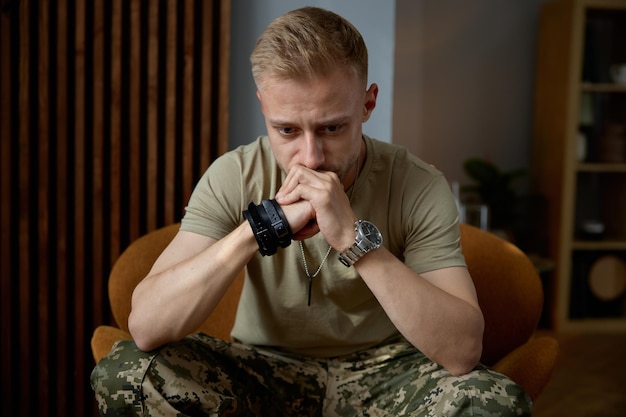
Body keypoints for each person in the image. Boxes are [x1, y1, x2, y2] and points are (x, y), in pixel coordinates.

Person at [91, 6, 531, 416]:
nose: (310, 157)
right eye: (286, 130)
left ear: (367, 104)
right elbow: (145, 326)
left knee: (492, 400)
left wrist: (354, 240)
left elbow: (461, 351)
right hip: (262, 370)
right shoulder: (234, 174)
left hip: (387, 373)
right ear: (264, 106)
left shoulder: (418, 184)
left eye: (332, 128)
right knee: (126, 373)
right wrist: (260, 228)